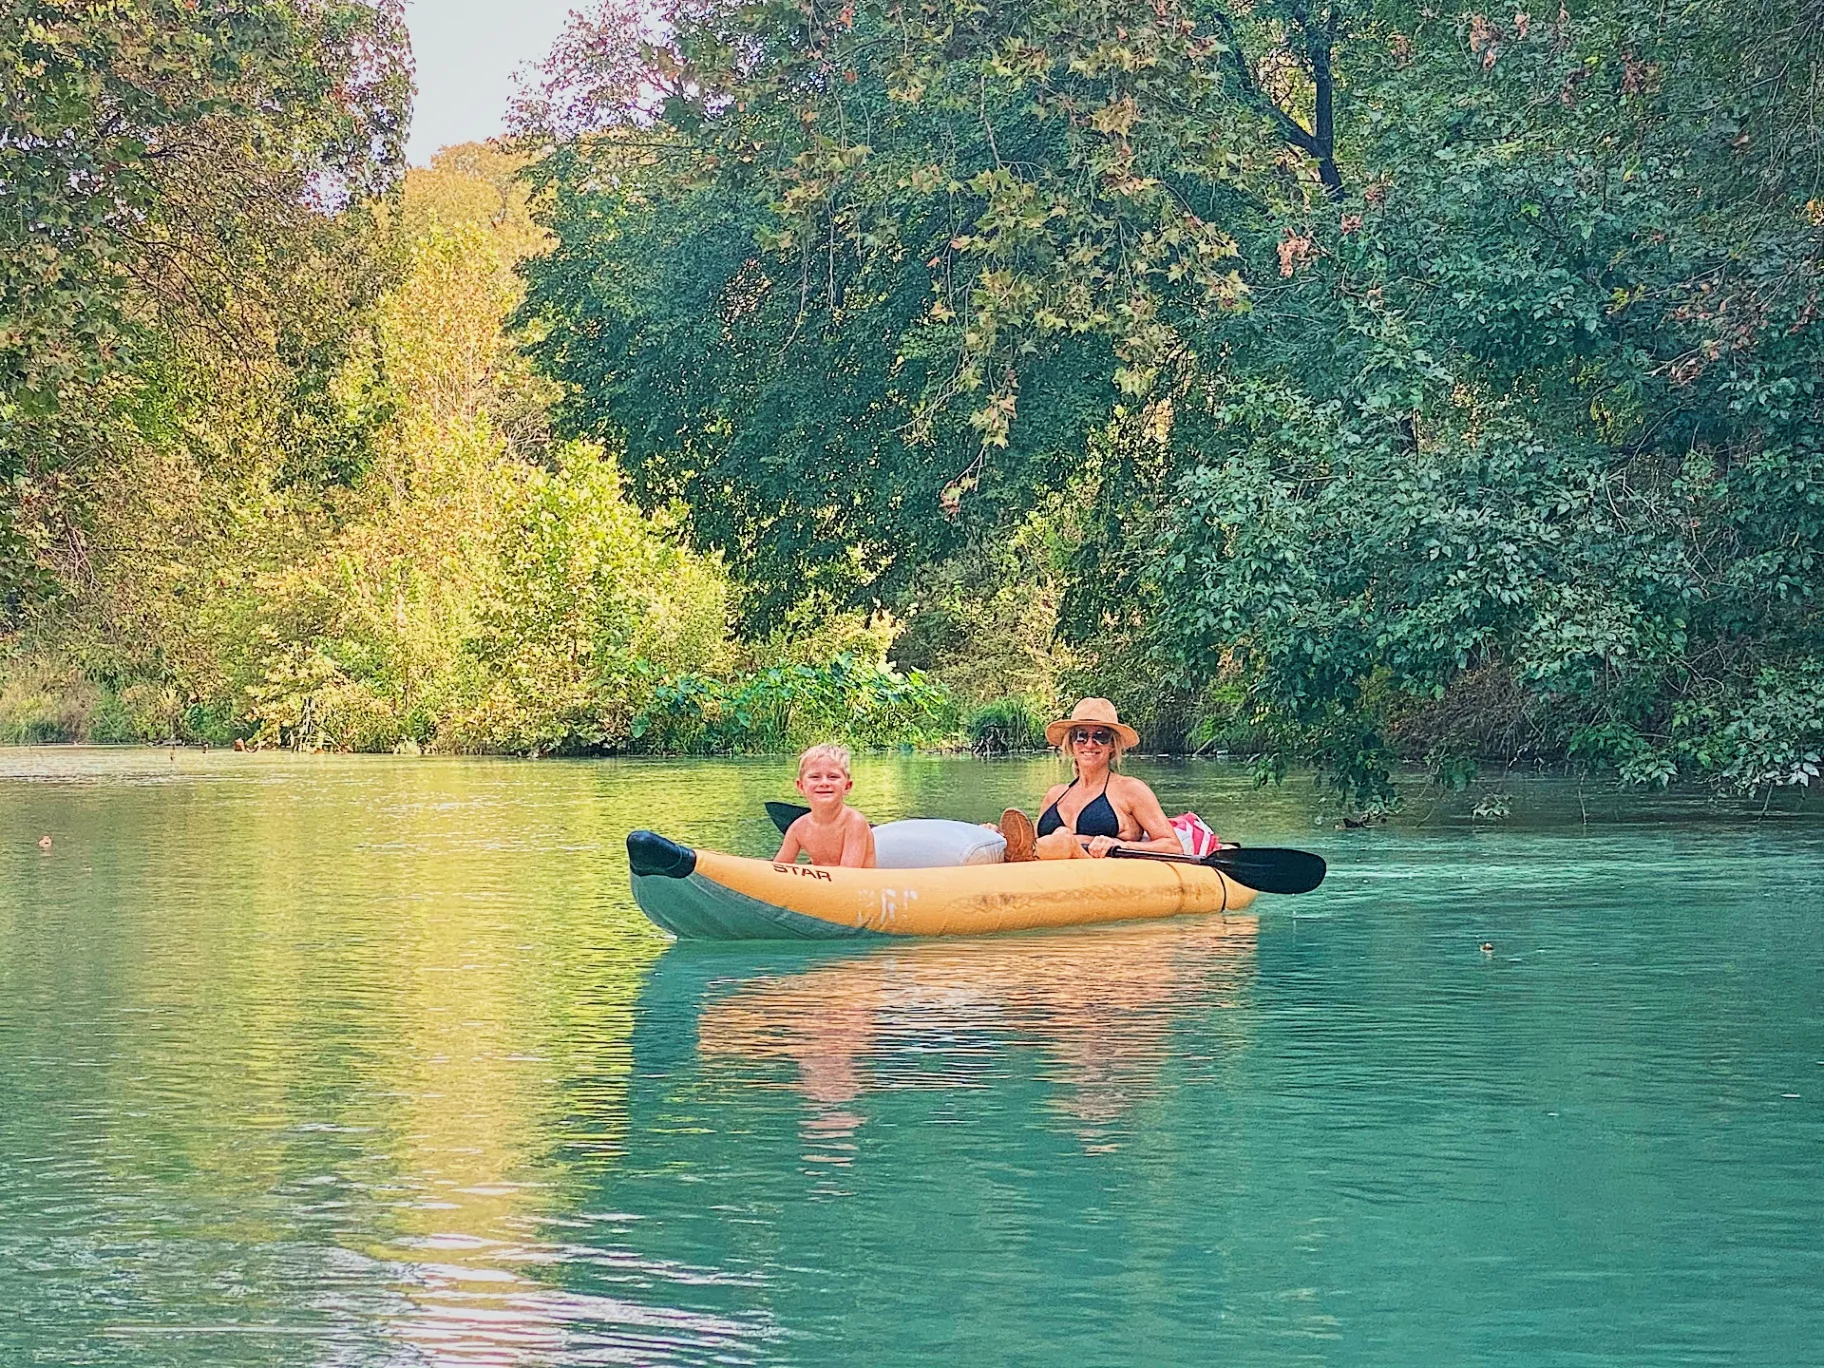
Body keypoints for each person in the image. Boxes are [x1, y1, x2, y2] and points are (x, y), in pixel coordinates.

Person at [998, 699, 1182, 861]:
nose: (1089, 744)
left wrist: (1120, 845)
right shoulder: (1055, 794)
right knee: (998, 836)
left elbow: (1173, 847)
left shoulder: (1130, 789)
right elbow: (1037, 840)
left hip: (1101, 873)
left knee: (1064, 837)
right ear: (1071, 743)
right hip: (1051, 871)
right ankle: (1005, 845)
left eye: (1101, 736)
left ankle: (1023, 852)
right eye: (1081, 736)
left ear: (1112, 745)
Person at [775, 742, 877, 868]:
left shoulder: (854, 822)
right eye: (815, 777)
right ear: (801, 786)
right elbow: (777, 869)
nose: (824, 783)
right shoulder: (798, 828)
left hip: (857, 885)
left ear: (847, 786)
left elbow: (849, 875)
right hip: (823, 884)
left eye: (833, 777)